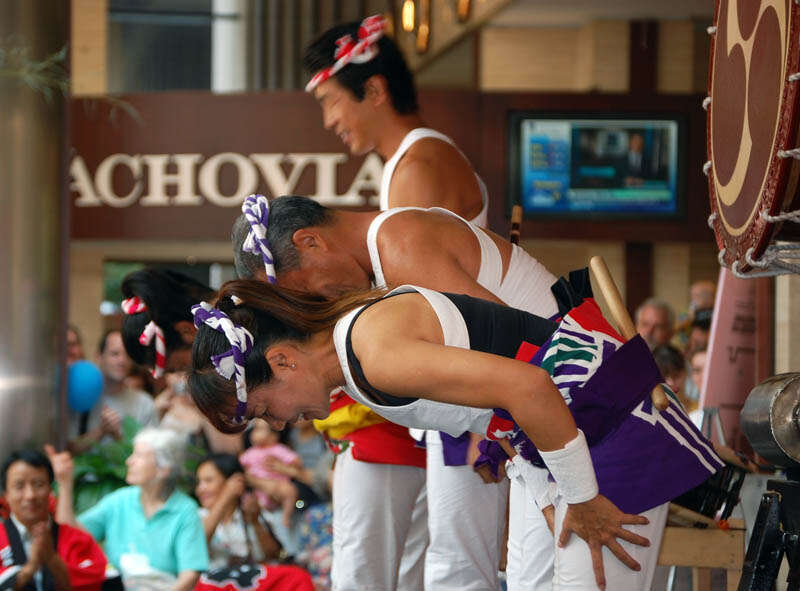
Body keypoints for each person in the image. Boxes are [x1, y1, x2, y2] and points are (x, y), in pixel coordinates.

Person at [187, 279, 723, 590]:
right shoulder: (360, 351)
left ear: (280, 360)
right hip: (573, 440)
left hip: (613, 429)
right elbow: (497, 413)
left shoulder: (374, 355)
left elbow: (531, 387)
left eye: (263, 408)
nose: (277, 423)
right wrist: (551, 494)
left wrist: (580, 498)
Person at [232, 194, 558, 589]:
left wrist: (565, 484)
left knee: (524, 576)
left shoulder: (399, 245)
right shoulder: (388, 256)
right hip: (546, 409)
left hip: (567, 401)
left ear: (310, 242)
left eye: (309, 289)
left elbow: (517, 356)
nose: (322, 300)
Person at [54, 428, 209, 591]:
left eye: (139, 456)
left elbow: (190, 575)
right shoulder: (121, 500)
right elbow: (70, 534)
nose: (129, 461)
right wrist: (64, 484)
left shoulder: (184, 511)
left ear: (163, 468)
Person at [121, 268, 242, 456]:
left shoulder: (243, 337)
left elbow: (232, 448)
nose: (182, 373)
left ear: (187, 331)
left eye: (177, 367)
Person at [194, 454, 314, 591]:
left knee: (297, 577)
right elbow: (196, 545)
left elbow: (274, 556)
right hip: (215, 586)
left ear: (233, 481)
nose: (200, 489)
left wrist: (255, 522)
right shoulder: (196, 516)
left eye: (208, 481)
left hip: (252, 585)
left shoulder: (251, 511)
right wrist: (226, 497)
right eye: (199, 482)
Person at [0, 449, 108, 591]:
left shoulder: (78, 540)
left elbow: (94, 581)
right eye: (19, 486)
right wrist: (31, 566)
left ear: (51, 490)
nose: (30, 495)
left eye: (38, 484)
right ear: (6, 495)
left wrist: (51, 558)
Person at [67, 330, 158, 454]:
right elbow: (69, 450)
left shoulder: (145, 403)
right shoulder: (80, 396)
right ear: (99, 357)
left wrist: (118, 436)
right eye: (115, 354)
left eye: (127, 355)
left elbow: (151, 456)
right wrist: (101, 431)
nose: (122, 361)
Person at [239, 421, 300, 528]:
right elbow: (241, 464)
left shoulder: (277, 449)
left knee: (290, 491)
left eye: (260, 429)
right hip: (259, 491)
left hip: (279, 485)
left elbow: (295, 460)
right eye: (255, 429)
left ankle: (286, 516)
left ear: (274, 436)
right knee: (248, 501)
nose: (254, 433)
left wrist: (286, 467)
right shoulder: (251, 452)